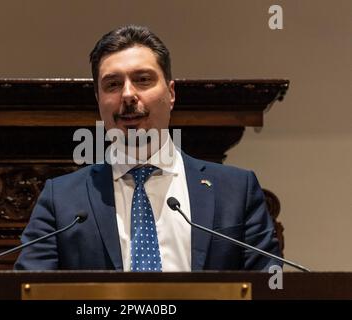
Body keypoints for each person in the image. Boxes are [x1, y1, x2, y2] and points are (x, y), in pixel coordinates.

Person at [14, 25, 281, 271]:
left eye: (143, 80)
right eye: (113, 84)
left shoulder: (237, 191)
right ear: (98, 99)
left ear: (171, 93)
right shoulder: (60, 200)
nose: (128, 95)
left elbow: (268, 287)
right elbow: (28, 289)